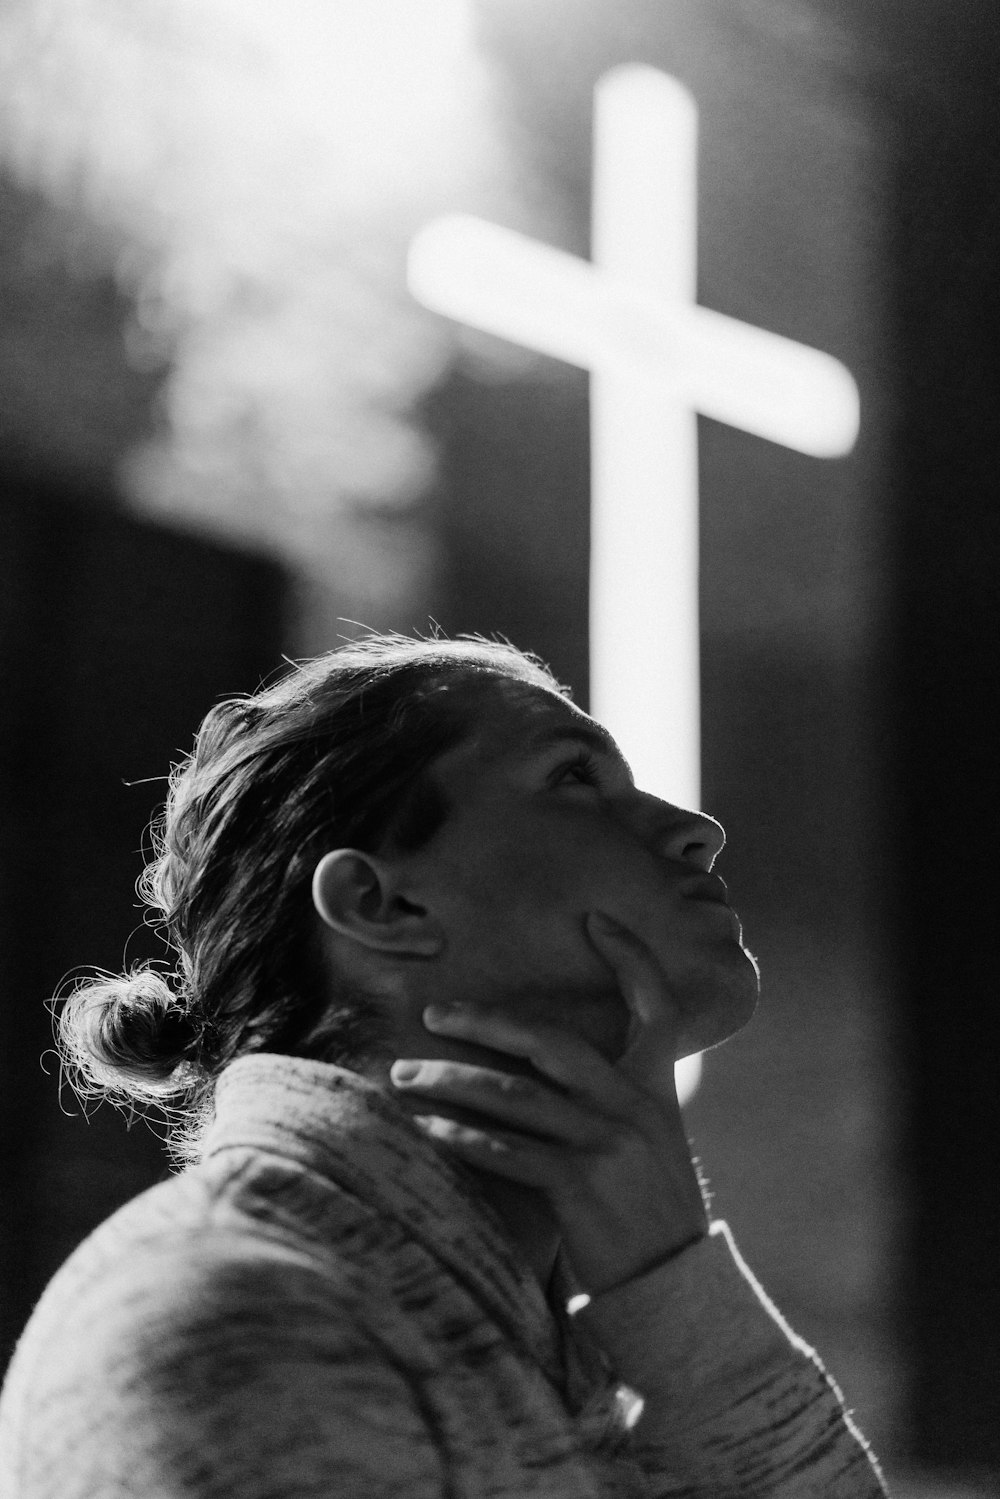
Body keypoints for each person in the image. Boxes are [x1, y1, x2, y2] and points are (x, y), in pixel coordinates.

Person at [0, 633, 888, 1498]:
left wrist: (681, 1298)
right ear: (380, 903)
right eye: (575, 777)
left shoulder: (556, 1353)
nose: (699, 829)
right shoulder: (243, 1311)